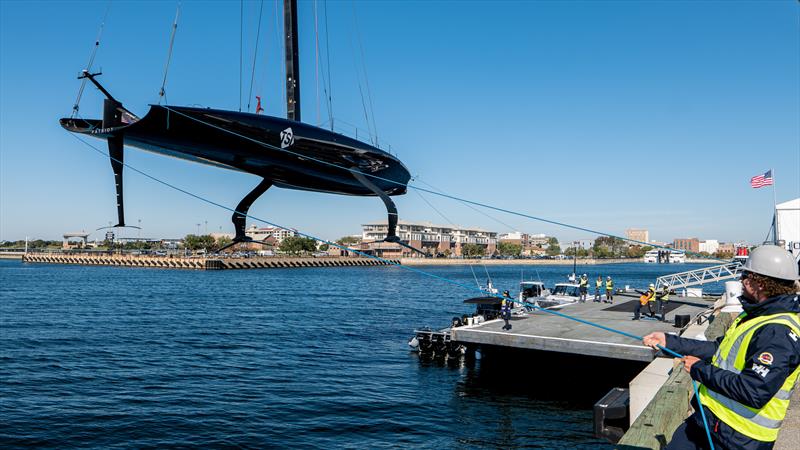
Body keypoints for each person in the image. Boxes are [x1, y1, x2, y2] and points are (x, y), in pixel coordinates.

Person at [642, 245, 800, 449]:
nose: (741, 281)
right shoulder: (756, 314)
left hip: (740, 438)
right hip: (709, 421)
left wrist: (700, 369)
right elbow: (721, 349)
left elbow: (754, 391)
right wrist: (670, 342)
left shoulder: (777, 331)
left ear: (758, 283)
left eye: (745, 275)